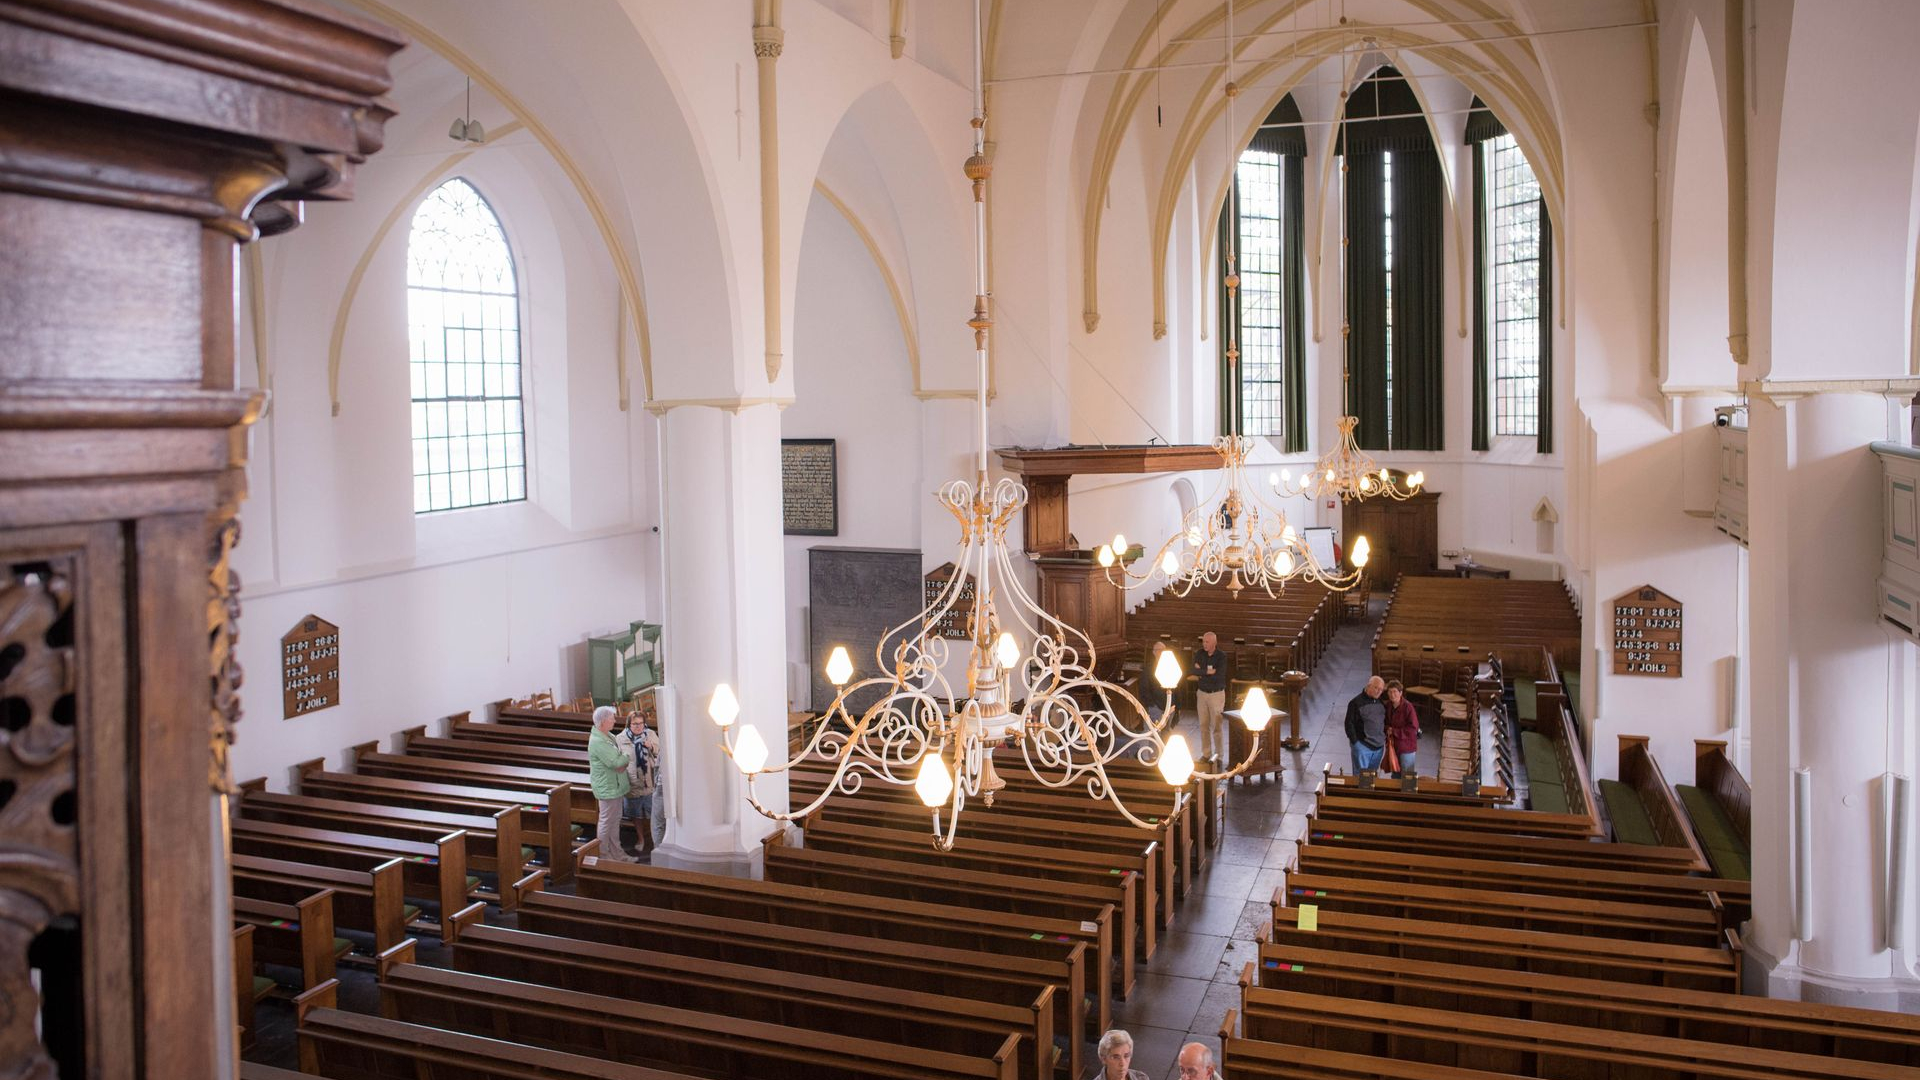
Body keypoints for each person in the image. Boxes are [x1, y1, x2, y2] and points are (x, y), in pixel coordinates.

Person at [587, 705, 636, 862]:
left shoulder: (607, 735)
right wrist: (627, 757)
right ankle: (604, 855)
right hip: (608, 787)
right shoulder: (598, 741)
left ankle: (617, 854)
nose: (615, 720)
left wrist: (622, 761)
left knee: (615, 821)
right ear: (602, 722)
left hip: (615, 785)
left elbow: (618, 757)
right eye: (612, 718)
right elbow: (615, 762)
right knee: (606, 822)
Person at [616, 708, 661, 857]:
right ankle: (641, 838)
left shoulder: (650, 734)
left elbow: (661, 752)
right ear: (629, 724)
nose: (638, 727)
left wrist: (651, 746)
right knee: (636, 814)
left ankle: (654, 840)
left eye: (641, 723)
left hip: (648, 780)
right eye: (635, 724)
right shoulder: (621, 738)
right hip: (632, 782)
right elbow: (618, 759)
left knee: (652, 812)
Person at [1190, 631, 1228, 762]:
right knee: (1203, 725)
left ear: (1214, 643)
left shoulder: (1221, 656)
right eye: (1203, 642)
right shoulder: (1200, 654)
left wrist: (1202, 673)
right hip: (1202, 693)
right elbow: (1193, 670)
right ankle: (1206, 754)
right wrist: (1207, 671)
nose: (1204, 644)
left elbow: (1219, 675)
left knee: (1216, 725)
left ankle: (1219, 755)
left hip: (1216, 694)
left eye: (1207, 642)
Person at [1342, 675, 1388, 775]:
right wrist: (1356, 743)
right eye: (1376, 688)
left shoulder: (1380, 702)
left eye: (1381, 690)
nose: (1379, 691)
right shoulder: (1355, 703)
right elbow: (1349, 724)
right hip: (1362, 747)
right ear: (1368, 686)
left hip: (1378, 748)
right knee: (1360, 778)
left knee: (1372, 778)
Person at [1384, 678, 1420, 778]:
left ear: (1400, 693)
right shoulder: (1388, 705)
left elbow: (1413, 729)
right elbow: (1385, 723)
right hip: (1394, 747)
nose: (1392, 694)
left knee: (1407, 777)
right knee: (1395, 775)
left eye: (1395, 691)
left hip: (1406, 748)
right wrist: (1387, 729)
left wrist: (1394, 731)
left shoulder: (1408, 707)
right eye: (1390, 692)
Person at [1139, 641, 1175, 717]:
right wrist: (1151, 703)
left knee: (1167, 728)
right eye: (1157, 650)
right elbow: (1144, 687)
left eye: (1162, 650)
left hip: (1169, 703)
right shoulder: (1148, 668)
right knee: (1156, 727)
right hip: (1155, 705)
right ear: (1153, 652)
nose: (1159, 652)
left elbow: (1177, 685)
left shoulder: (1171, 666)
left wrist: (1175, 704)